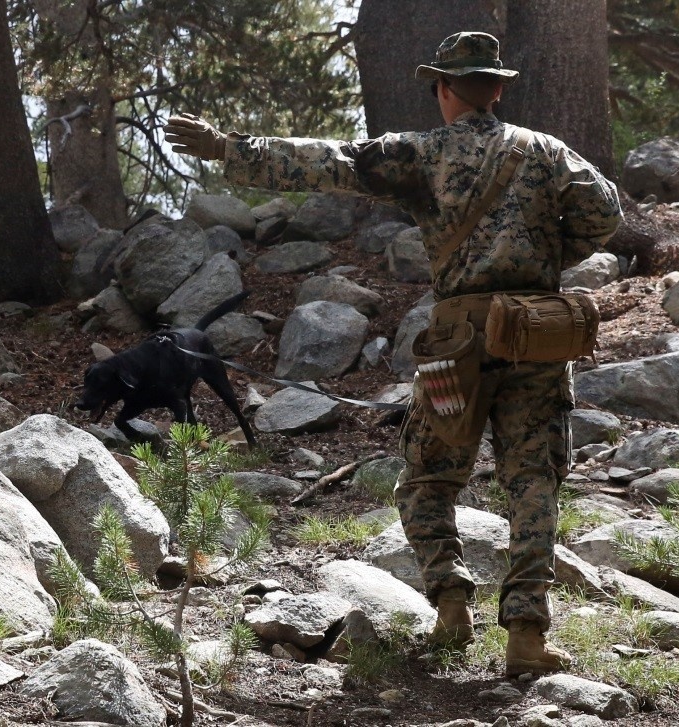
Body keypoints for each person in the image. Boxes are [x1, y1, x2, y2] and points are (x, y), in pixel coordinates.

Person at [164, 31, 622, 676]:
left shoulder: (420, 153)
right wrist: (543, 261)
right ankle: (526, 636)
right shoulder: (550, 153)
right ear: (496, 88)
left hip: (455, 345)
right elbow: (604, 214)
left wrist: (226, 149)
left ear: (443, 87)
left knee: (427, 477)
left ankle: (451, 601)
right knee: (533, 481)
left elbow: (325, 160)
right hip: (537, 338)